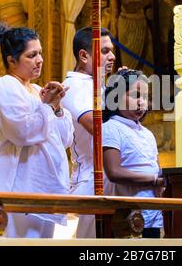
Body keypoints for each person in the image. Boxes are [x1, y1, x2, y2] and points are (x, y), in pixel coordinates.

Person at [0, 24, 73, 238]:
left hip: (43, 186)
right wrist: (46, 106)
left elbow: (64, 140)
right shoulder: (4, 86)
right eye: (31, 55)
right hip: (19, 184)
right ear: (11, 60)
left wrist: (57, 107)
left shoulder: (36, 90)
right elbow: (22, 133)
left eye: (40, 53)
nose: (40, 60)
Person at [61, 26, 116, 238]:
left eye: (111, 50)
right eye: (104, 51)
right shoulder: (74, 86)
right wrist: (121, 95)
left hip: (110, 175)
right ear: (84, 55)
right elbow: (98, 128)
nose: (112, 56)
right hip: (92, 178)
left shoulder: (99, 86)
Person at [102, 69, 164, 238]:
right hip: (126, 216)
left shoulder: (147, 133)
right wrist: (154, 180)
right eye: (135, 95)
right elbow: (114, 172)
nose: (141, 102)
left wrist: (161, 180)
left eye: (144, 97)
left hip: (152, 214)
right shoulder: (111, 128)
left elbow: (157, 168)